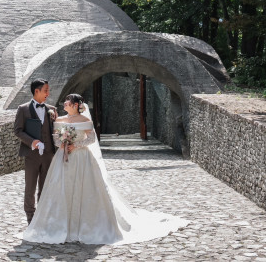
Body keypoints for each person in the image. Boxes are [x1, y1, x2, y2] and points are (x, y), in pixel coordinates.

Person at [22, 93, 189, 245]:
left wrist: (77, 145)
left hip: (83, 158)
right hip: (63, 158)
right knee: (61, 189)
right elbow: (55, 139)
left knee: (86, 190)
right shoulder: (59, 120)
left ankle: (85, 225)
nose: (64, 103)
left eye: (67, 101)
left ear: (74, 104)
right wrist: (64, 144)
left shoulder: (85, 121)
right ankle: (58, 223)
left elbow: (91, 138)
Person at [14, 78, 58, 224]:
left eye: (48, 90)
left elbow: (56, 131)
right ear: (37, 91)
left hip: (48, 155)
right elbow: (18, 131)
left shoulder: (52, 110)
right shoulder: (23, 109)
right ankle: (30, 217)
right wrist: (32, 141)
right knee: (30, 187)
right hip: (31, 155)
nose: (48, 93)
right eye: (46, 90)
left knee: (45, 187)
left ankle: (43, 216)